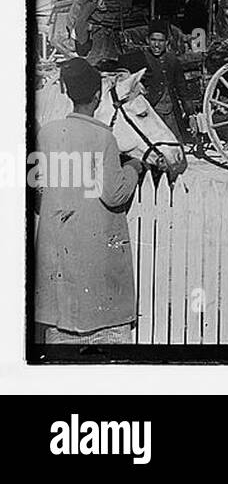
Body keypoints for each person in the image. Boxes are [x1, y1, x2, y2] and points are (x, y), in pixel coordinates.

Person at [34, 58, 145, 343]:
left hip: (57, 274)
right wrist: (133, 167)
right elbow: (115, 193)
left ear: (68, 93)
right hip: (95, 270)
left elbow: (38, 189)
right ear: (97, 97)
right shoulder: (103, 137)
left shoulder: (46, 134)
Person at [141, 20, 190, 144]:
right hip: (152, 112)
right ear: (147, 40)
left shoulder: (172, 59)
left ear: (167, 42)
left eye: (161, 41)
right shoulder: (141, 58)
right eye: (153, 40)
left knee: (174, 144)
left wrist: (189, 110)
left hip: (171, 114)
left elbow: (181, 87)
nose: (157, 45)